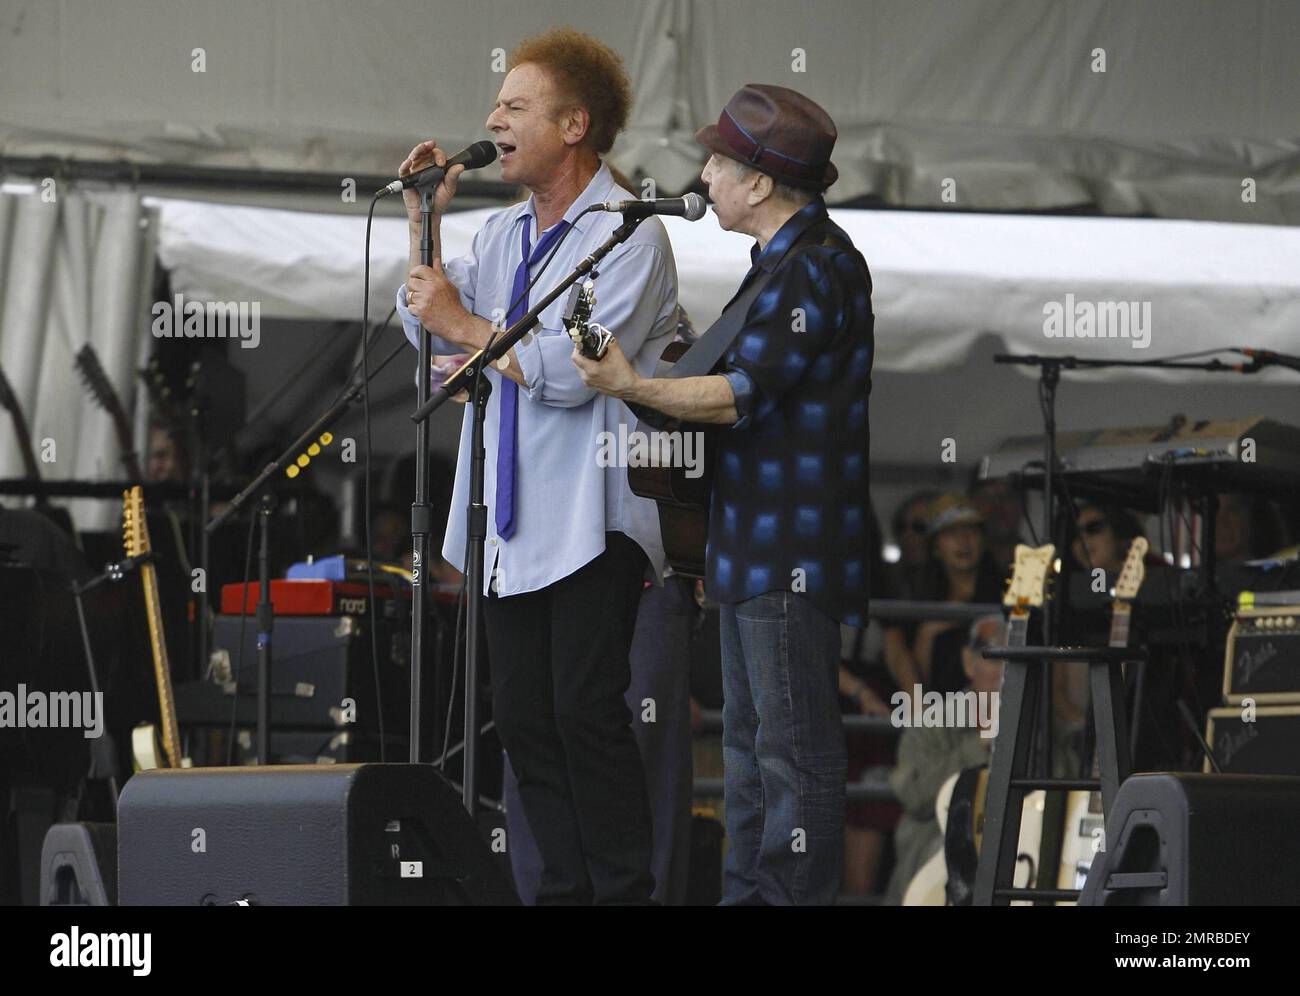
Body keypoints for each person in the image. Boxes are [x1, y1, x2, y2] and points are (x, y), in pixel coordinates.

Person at [397, 28, 679, 904]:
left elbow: (568, 367)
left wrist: (469, 329)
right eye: (497, 106)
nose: (492, 120)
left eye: (515, 107)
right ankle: (562, 895)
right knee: (521, 719)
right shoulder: (499, 232)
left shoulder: (629, 232)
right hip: (506, 516)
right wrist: (423, 223)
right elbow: (422, 325)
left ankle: (625, 892)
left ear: (574, 124)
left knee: (583, 713)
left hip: (592, 513)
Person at [575, 84, 874, 904]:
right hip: (751, 547)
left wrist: (634, 381)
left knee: (787, 754)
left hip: (789, 553)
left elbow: (740, 395)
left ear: (761, 183)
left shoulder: (816, 265)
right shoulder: (782, 265)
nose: (703, 176)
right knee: (749, 754)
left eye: (718, 162)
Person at [885, 613, 1003, 905]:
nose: (1005, 673)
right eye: (995, 657)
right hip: (933, 860)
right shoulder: (933, 723)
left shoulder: (1037, 727)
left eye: (1015, 660)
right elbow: (914, 795)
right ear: (968, 662)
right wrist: (981, 744)